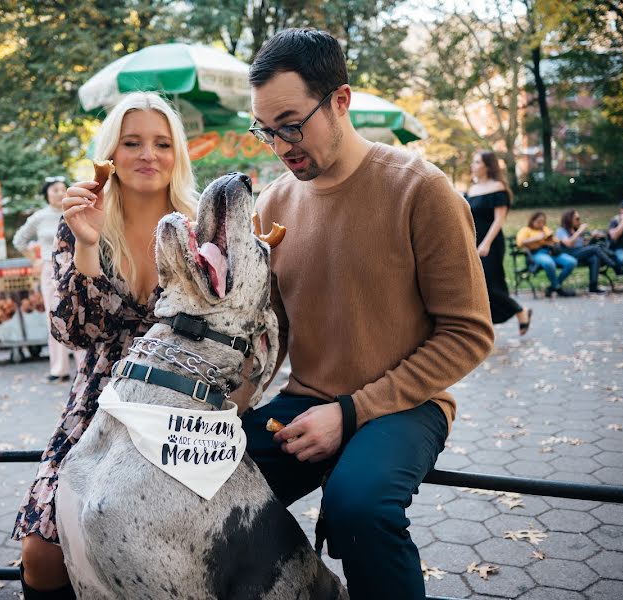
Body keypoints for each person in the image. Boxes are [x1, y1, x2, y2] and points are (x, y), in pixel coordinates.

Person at [245, 29, 495, 599]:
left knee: (357, 507)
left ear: (340, 100)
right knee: (204, 482)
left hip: (408, 405)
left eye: (290, 123)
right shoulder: (272, 205)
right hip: (304, 402)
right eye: (265, 130)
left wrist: (351, 414)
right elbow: (270, 331)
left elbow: (469, 334)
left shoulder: (422, 190)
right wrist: (227, 406)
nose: (280, 145)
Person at [11, 92, 198, 599]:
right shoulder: (79, 221)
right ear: (110, 153)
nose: (147, 155)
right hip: (99, 399)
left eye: (162, 143)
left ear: (177, 154)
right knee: (42, 553)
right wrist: (89, 245)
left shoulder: (199, 229)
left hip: (177, 404)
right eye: (132, 142)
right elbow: (74, 332)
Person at [12, 177, 87, 382]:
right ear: (46, 193)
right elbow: (19, 240)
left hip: (75, 268)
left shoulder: (76, 211)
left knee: (79, 314)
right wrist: (34, 260)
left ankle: (84, 366)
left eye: (63, 189)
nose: (59, 193)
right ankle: (58, 368)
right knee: (54, 316)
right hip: (49, 270)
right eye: (55, 190)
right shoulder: (39, 217)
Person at [466, 150, 533, 333]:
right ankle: (488, 324)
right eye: (474, 162)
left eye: (477, 162)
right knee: (478, 286)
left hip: (491, 243)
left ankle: (520, 311)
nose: (473, 165)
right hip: (474, 242)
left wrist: (486, 243)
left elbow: (499, 220)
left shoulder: (498, 187)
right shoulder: (471, 190)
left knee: (490, 283)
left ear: (488, 166)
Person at [556, 208, 623, 294]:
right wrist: (579, 231)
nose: (579, 221)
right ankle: (616, 268)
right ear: (569, 219)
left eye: (579, 219)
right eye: (577, 219)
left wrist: (593, 238)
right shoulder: (561, 230)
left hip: (579, 254)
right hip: (568, 255)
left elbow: (583, 247)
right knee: (595, 248)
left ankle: (593, 287)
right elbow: (568, 244)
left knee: (594, 257)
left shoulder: (575, 230)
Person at [515, 211, 578, 297]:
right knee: (549, 263)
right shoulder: (525, 230)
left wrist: (551, 240)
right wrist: (536, 238)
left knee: (572, 262)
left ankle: (553, 286)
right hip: (536, 253)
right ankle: (558, 288)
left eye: (543, 222)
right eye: (538, 222)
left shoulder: (545, 229)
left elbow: (556, 240)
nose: (541, 224)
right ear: (532, 221)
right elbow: (520, 242)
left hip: (551, 252)